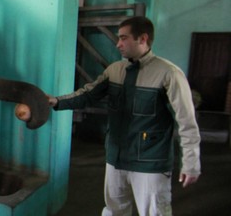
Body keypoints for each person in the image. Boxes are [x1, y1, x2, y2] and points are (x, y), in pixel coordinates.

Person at [46, 16, 200, 216]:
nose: (118, 43)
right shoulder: (115, 70)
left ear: (142, 39)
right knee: (114, 210)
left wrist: (191, 163)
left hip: (150, 162)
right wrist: (56, 101)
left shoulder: (168, 74)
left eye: (123, 38)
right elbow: (87, 95)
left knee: (155, 213)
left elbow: (186, 122)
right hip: (116, 158)